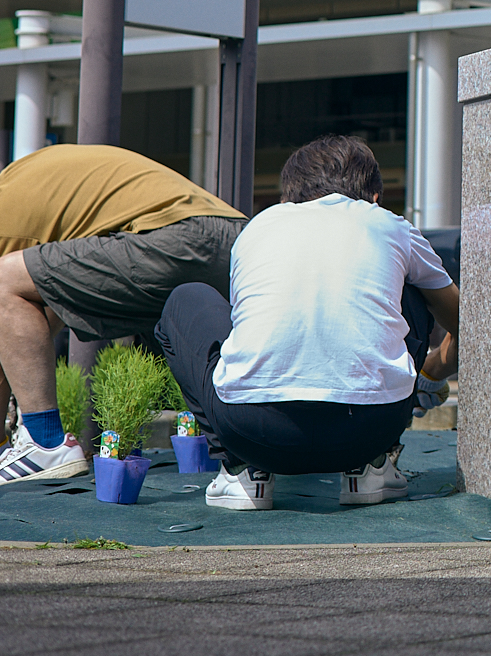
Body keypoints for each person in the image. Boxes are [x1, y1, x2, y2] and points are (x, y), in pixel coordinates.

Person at [155, 135, 459, 510]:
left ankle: (241, 471)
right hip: (368, 429)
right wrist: (431, 372)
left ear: (288, 197)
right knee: (415, 289)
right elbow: (463, 320)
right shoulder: (390, 225)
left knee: (185, 299)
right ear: (375, 197)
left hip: (252, 431)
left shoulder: (258, 227)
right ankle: (373, 468)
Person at [0, 145, 244, 487]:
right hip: (232, 237)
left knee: (3, 279)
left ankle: (45, 445)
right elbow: (51, 304)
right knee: (175, 340)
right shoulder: (30, 180)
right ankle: (243, 461)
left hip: (173, 240)